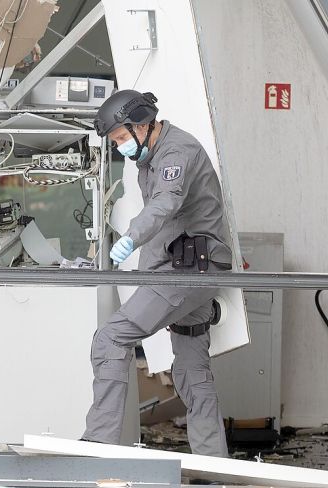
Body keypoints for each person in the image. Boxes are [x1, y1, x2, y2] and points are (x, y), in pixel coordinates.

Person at [82, 89, 235, 457]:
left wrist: (131, 238)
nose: (120, 147)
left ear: (141, 124)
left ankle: (97, 446)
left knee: (111, 339)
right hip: (189, 268)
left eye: (120, 138)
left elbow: (164, 206)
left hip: (187, 272)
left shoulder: (175, 153)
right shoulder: (150, 156)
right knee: (192, 370)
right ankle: (214, 465)